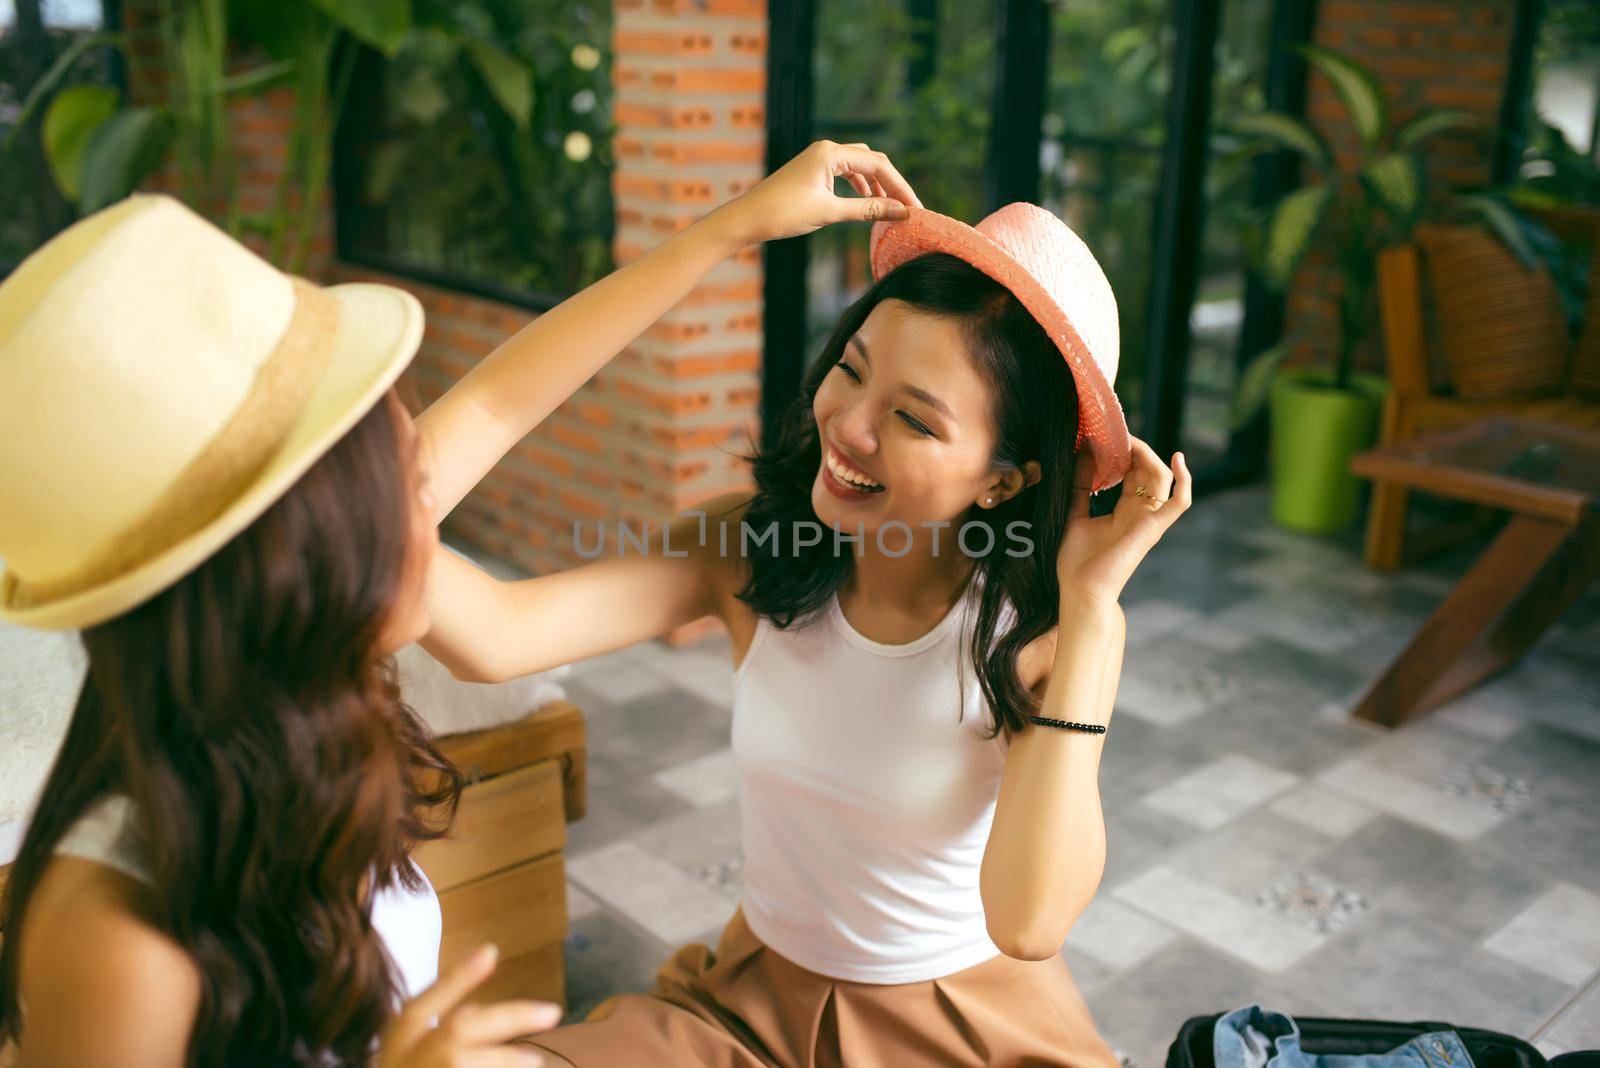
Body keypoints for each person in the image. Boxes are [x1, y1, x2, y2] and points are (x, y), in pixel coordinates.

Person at [0, 140, 913, 1066]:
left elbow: (501, 406)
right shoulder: (116, 941)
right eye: (406, 484)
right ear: (291, 568)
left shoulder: (281, 709)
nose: (437, 513)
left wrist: (733, 228)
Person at [416, 188, 1192, 1065]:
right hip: (745, 1009)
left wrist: (1092, 612)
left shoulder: (1047, 631)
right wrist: (725, 230)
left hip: (960, 1033)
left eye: (913, 418)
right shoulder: (753, 544)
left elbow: (1031, 920)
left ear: (1003, 480)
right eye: (852, 370)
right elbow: (494, 635)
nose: (849, 428)